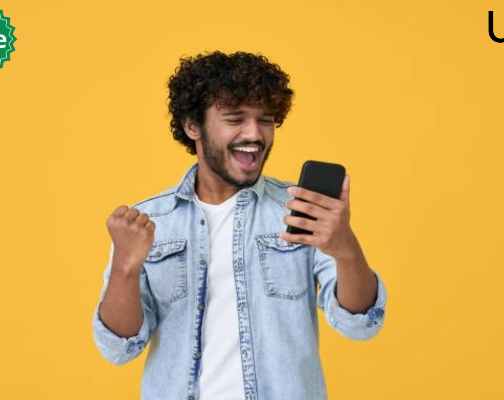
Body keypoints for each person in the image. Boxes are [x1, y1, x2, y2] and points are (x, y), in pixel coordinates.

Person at [93, 51, 387, 400]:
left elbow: (360, 325)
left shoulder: (301, 208)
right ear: (192, 126)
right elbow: (118, 348)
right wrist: (125, 269)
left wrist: (346, 249)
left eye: (266, 120)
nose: (255, 133)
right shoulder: (149, 223)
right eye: (235, 119)